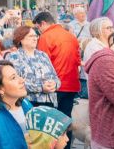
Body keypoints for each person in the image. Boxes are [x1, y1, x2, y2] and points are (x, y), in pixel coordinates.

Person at [34, 11, 81, 148]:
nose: (38, 31)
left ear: (43, 23)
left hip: (55, 86)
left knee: (51, 122)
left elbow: (42, 64)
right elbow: (77, 60)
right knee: (66, 119)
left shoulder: (45, 37)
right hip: (71, 84)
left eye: (38, 27)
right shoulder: (70, 36)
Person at [5, 26, 60, 107]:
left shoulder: (43, 55)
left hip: (50, 102)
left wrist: (55, 84)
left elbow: (56, 77)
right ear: (21, 39)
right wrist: (41, 88)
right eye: (31, 36)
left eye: (36, 36)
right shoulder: (13, 57)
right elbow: (13, 83)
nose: (35, 39)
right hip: (27, 103)